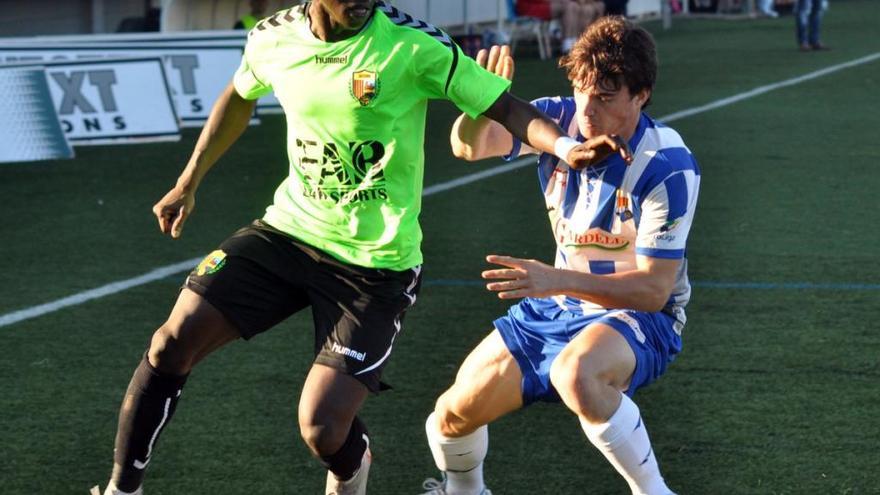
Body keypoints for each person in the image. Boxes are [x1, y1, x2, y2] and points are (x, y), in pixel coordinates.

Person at [91, 1, 626, 495]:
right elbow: (238, 94)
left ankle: (354, 462)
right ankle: (122, 489)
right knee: (170, 343)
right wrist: (189, 180)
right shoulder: (273, 38)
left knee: (321, 427)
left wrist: (564, 146)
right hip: (289, 231)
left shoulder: (413, 46)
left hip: (375, 265)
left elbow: (505, 107)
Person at [420, 16, 700, 495]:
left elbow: (654, 292)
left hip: (638, 316)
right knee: (450, 417)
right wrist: (481, 103)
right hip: (560, 304)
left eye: (605, 97)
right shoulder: (559, 120)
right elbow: (467, 146)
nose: (586, 109)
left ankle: (654, 491)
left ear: (641, 95)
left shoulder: (668, 166)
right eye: (580, 90)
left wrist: (556, 281)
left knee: (577, 374)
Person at [516, 0, 605, 53]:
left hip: (543, 4)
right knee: (570, 6)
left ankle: (580, 41)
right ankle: (568, 44)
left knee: (578, 6)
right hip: (531, 7)